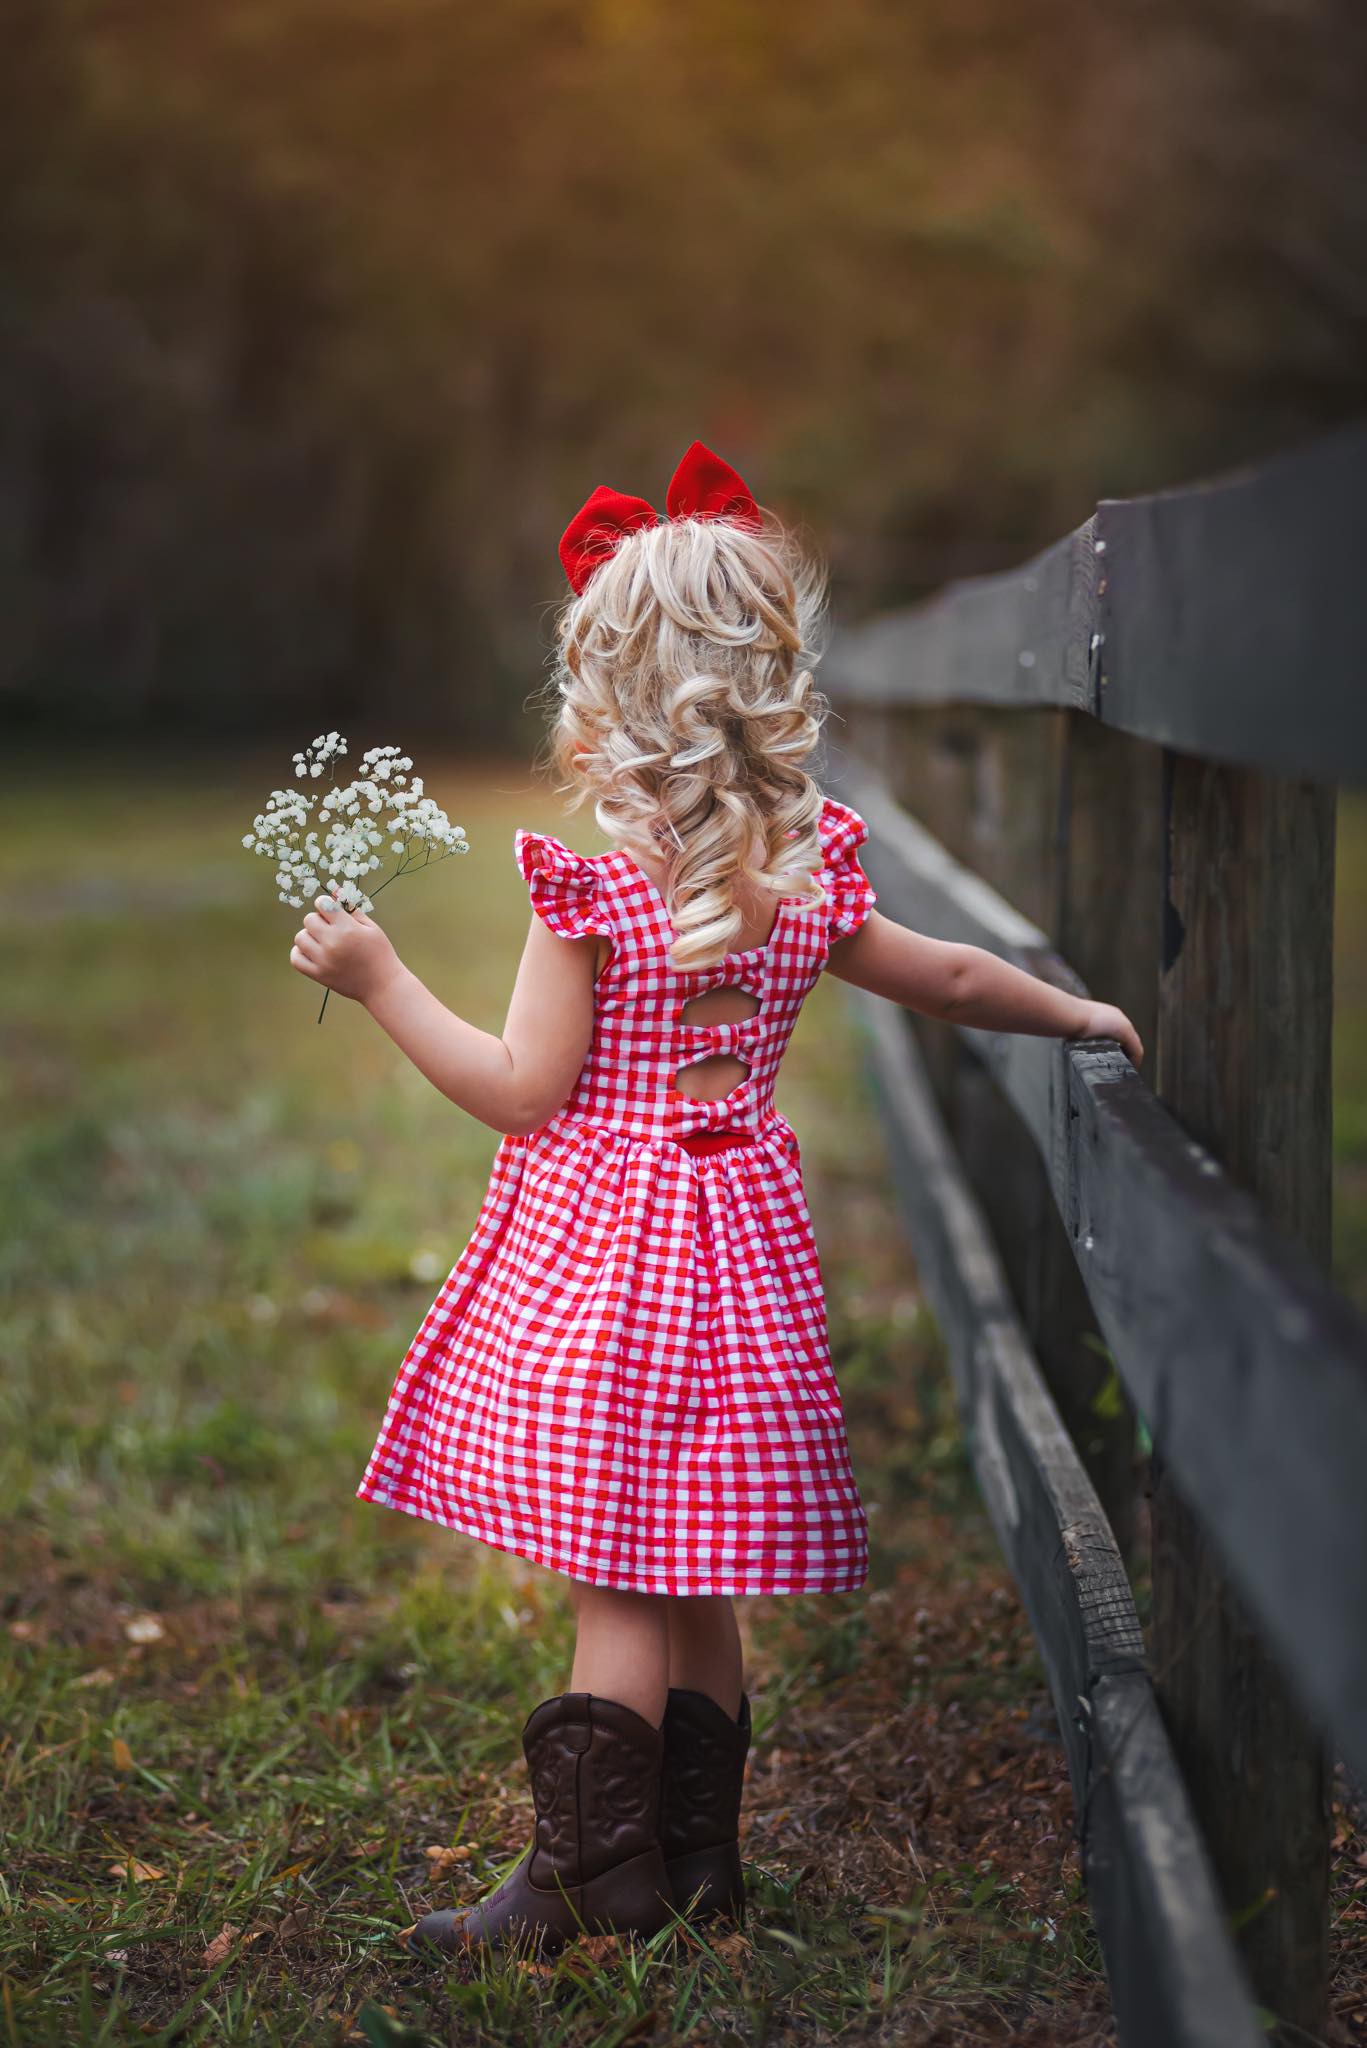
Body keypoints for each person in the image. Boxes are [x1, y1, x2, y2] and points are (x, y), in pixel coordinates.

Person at [287, 440, 1143, 1959]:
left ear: (610, 691)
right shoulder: (810, 870)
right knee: (701, 1566)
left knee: (617, 1568)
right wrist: (1070, 1012)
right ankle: (697, 1865)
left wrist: (380, 979)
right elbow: (943, 977)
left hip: (607, 1255)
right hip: (741, 1245)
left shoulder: (596, 889)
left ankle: (579, 1883)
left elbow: (519, 1089)